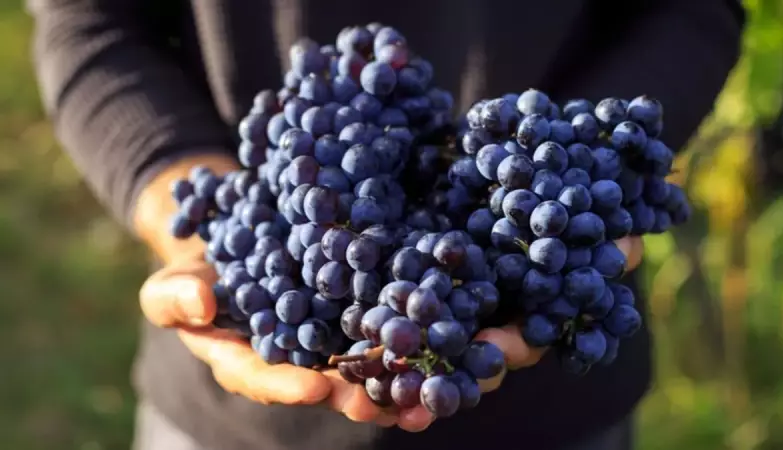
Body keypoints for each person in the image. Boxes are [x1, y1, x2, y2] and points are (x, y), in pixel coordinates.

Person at [27, 1, 744, 449]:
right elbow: (86, 19)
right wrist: (172, 180)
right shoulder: (317, 188)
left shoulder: (511, 212)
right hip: (225, 423)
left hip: (551, 408)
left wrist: (577, 164)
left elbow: (690, 12)